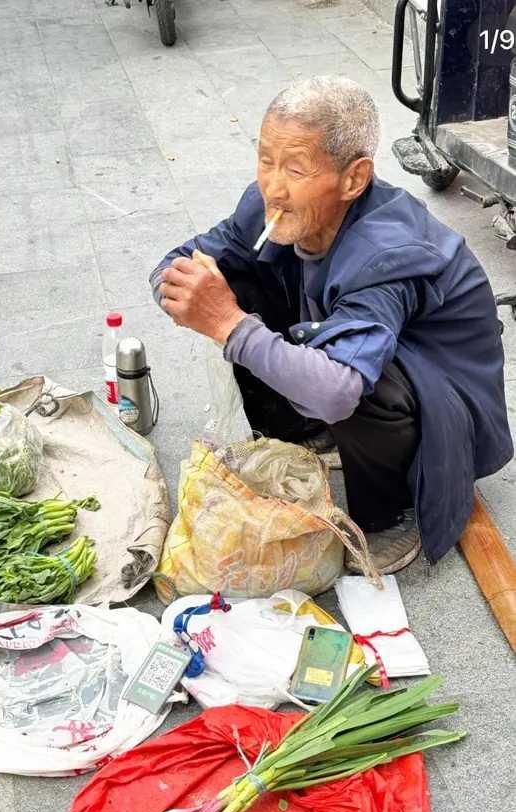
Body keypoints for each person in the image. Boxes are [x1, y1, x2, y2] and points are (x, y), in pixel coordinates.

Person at [150, 75, 513, 575]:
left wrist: (228, 324)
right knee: (235, 278)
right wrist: (182, 287)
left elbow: (339, 391)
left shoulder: (387, 253)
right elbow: (182, 260)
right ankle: (311, 434)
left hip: (444, 395)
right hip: (360, 343)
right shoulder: (270, 207)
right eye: (265, 160)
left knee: (352, 384)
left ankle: (393, 513)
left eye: (295, 169)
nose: (273, 186)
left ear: (353, 179)